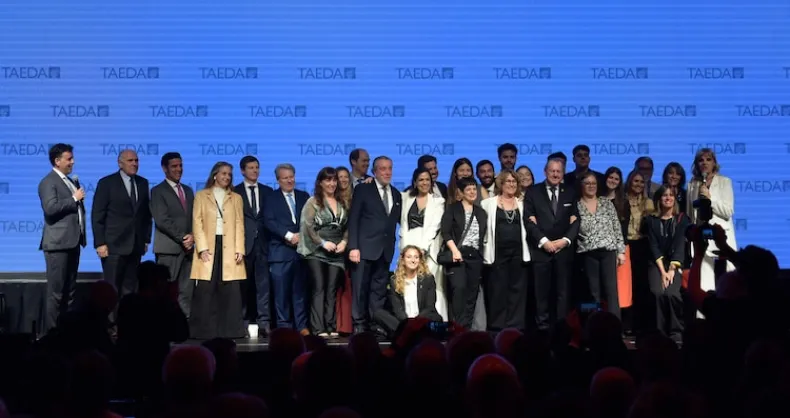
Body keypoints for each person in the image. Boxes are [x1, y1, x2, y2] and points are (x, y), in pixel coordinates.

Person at [190, 162, 246, 339]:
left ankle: (230, 331)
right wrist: (202, 248)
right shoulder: (201, 195)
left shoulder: (236, 198)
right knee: (206, 289)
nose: (226, 177)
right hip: (208, 246)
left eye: (229, 174)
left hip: (230, 246)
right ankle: (204, 331)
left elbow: (239, 224)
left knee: (230, 290)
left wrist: (239, 249)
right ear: (215, 175)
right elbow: (197, 222)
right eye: (223, 173)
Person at [347, 156, 401, 335]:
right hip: (364, 249)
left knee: (378, 290)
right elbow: (354, 218)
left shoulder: (396, 194)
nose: (387, 172)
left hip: (385, 250)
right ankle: (359, 323)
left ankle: (375, 323)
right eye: (383, 169)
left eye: (390, 168)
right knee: (360, 289)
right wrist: (353, 247)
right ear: (374, 171)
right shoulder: (363, 189)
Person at [524, 158, 580, 330]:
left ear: (563, 173)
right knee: (541, 294)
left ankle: (561, 329)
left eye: (558, 171)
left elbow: (576, 221)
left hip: (564, 252)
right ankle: (542, 329)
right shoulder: (533, 192)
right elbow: (529, 222)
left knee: (563, 293)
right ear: (545, 172)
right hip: (541, 252)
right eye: (552, 171)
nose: (555, 174)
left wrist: (565, 241)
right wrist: (544, 242)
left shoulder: (570, 192)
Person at [92, 149, 153, 300]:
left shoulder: (143, 183)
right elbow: (97, 215)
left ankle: (127, 316)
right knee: (112, 290)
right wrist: (100, 243)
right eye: (130, 160)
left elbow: (146, 214)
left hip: (135, 246)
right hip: (113, 246)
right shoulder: (107, 183)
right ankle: (111, 316)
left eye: (136, 160)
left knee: (130, 290)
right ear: (120, 163)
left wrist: (146, 239)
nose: (134, 164)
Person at [38, 143, 86, 331]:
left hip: (72, 242)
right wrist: (74, 199)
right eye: (69, 159)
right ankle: (52, 334)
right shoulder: (48, 182)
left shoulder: (70, 181)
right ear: (57, 161)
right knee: (56, 294)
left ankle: (66, 333)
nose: (73, 162)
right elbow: (50, 209)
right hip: (58, 245)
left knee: (70, 292)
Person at [298, 167, 349, 338]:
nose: (332, 183)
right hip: (316, 251)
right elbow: (308, 226)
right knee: (319, 287)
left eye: (334, 180)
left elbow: (348, 226)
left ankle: (330, 326)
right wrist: (322, 242)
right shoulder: (313, 202)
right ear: (320, 182)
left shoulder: (342, 202)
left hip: (336, 251)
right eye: (328, 180)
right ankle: (318, 328)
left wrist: (344, 242)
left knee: (331, 289)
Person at [480, 169, 531, 331]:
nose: (511, 184)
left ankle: (515, 325)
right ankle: (497, 326)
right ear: (501, 184)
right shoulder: (488, 204)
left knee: (517, 289)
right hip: (497, 253)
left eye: (514, 181)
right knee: (497, 289)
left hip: (518, 252)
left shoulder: (523, 203)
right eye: (508, 181)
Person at [264, 163, 311, 334]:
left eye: (291, 177)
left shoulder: (304, 196)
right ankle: (284, 328)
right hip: (280, 253)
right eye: (285, 178)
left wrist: (301, 236)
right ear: (278, 180)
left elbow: (311, 219)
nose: (290, 180)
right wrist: (289, 236)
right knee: (281, 294)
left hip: (301, 252)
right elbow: (269, 221)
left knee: (300, 293)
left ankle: (302, 326)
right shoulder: (271, 198)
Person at [576, 172, 626, 319]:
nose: (591, 186)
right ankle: (595, 324)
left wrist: (621, 251)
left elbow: (616, 226)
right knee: (593, 293)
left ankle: (615, 324)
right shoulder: (576, 206)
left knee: (611, 291)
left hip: (608, 251)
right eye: (587, 183)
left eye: (594, 183)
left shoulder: (606, 203)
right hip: (588, 253)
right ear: (581, 186)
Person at [150, 152, 195, 317]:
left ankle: (185, 323)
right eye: (174, 166)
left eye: (180, 165)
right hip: (168, 249)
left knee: (186, 291)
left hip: (188, 251)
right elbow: (162, 220)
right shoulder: (157, 191)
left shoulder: (188, 191)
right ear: (165, 168)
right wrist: (183, 238)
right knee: (164, 290)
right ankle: (164, 324)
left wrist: (193, 236)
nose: (179, 169)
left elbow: (194, 217)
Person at [686, 148, 736, 295]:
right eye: (701, 160)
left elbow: (728, 211)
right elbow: (690, 213)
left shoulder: (724, 182)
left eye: (708, 159)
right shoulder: (692, 184)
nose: (704, 163)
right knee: (704, 284)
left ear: (714, 163)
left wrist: (710, 200)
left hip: (721, 238)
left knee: (724, 285)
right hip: (701, 239)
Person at [399, 167, 447, 319]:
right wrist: (407, 250)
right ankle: (409, 320)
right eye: (421, 180)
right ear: (414, 182)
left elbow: (434, 227)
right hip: (408, 247)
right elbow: (403, 225)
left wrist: (421, 249)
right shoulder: (405, 198)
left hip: (428, 249)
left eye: (427, 179)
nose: (424, 183)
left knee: (429, 286)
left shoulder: (438, 201)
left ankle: (433, 320)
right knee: (408, 284)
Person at [234, 155, 274, 337]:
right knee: (243, 286)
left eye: (257, 167)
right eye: (251, 168)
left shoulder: (267, 191)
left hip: (263, 245)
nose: (255, 170)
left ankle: (264, 322)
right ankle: (242, 322)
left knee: (263, 286)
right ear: (243, 170)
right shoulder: (235, 192)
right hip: (243, 245)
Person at [440, 176, 487, 329]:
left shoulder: (481, 212)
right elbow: (445, 232)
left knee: (472, 294)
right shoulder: (453, 209)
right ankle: (457, 327)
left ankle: (466, 329)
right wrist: (454, 250)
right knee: (458, 290)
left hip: (475, 257)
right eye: (468, 189)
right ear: (461, 192)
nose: (472, 192)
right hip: (458, 256)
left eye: (474, 189)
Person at [644, 185, 689, 339]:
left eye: (671, 195)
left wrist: (671, 270)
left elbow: (679, 244)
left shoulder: (682, 219)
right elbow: (653, 246)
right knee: (657, 292)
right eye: (664, 195)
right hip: (657, 264)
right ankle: (659, 332)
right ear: (659, 199)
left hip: (674, 264)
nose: (668, 198)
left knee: (671, 293)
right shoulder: (651, 220)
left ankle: (676, 332)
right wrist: (663, 272)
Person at [373, 245, 442, 337]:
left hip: (421, 321)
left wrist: (415, 322)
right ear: (403, 260)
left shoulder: (428, 279)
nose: (413, 260)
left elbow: (429, 307)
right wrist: (407, 323)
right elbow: (397, 309)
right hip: (402, 322)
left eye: (416, 257)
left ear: (420, 260)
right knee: (379, 314)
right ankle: (410, 334)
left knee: (436, 318)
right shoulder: (394, 281)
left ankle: (404, 334)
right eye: (409, 257)